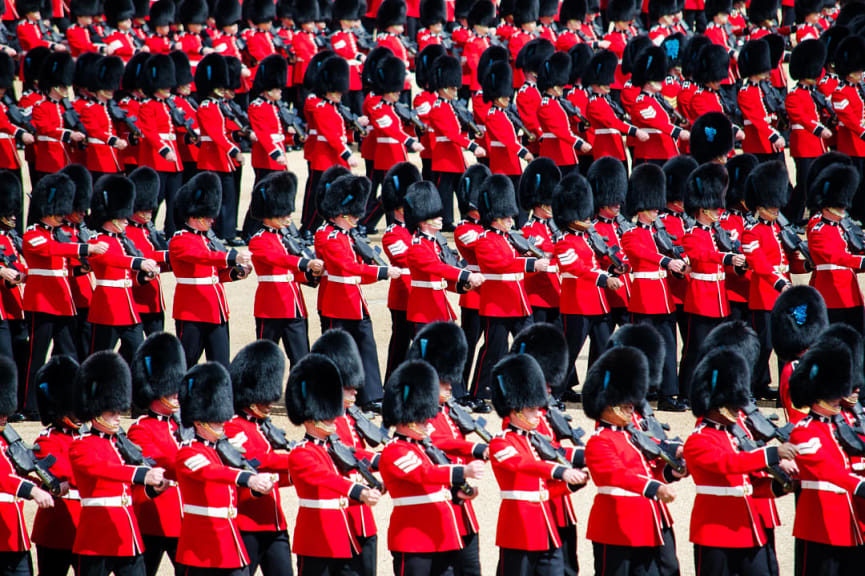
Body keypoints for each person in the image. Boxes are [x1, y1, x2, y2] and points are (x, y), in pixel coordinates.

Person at [685, 348, 796, 575]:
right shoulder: (698, 441)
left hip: (748, 527)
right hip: (715, 529)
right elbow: (729, 464)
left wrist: (778, 487)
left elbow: (748, 485)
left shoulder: (732, 435)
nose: (738, 409)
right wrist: (772, 453)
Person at [583, 345, 682, 575]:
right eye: (624, 401)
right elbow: (618, 475)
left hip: (649, 521)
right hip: (616, 526)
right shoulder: (599, 441)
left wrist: (669, 473)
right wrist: (655, 487)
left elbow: (646, 470)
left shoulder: (631, 436)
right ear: (605, 404)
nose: (631, 406)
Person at [380, 360, 485, 576]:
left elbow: (436, 487)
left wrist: (459, 492)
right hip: (413, 541)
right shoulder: (395, 451)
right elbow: (423, 475)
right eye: (422, 420)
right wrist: (462, 471)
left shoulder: (423, 449)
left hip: (442, 537)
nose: (429, 424)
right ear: (407, 420)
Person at [70, 351, 167, 576]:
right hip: (96, 535)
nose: (117, 417)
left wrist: (152, 490)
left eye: (118, 411)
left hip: (127, 534)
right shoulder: (80, 446)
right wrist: (142, 474)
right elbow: (103, 471)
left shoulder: (121, 446)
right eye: (112, 411)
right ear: (95, 412)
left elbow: (128, 494)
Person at [490, 353, 588, 576]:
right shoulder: (500, 442)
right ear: (515, 410)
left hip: (547, 527)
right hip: (518, 527)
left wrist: (570, 485)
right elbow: (522, 465)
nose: (539, 413)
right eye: (532, 410)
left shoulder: (533, 440)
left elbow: (544, 489)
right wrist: (560, 471)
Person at [285, 352, 382, 576]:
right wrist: (359, 491)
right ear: (310, 417)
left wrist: (388, 461)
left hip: (345, 537)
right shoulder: (301, 453)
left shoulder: (335, 447)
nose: (332, 419)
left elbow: (359, 455)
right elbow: (325, 478)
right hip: (316, 540)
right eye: (326, 415)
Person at [175, 361, 276, 576]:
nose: (222, 423)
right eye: (216, 420)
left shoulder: (223, 452)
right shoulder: (188, 452)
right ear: (200, 422)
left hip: (230, 540)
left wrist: (259, 486)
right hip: (201, 543)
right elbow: (211, 473)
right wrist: (248, 479)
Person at [22, 174, 107, 419]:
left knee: (68, 354)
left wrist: (85, 265)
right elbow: (50, 250)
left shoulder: (58, 234)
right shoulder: (33, 234)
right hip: (41, 302)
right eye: (58, 211)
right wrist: (84, 248)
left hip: (62, 302)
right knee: (37, 356)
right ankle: (30, 404)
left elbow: (65, 266)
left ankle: (70, 399)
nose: (62, 215)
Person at [314, 172, 401, 412]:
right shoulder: (327, 236)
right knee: (336, 351)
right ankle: (332, 394)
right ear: (340, 214)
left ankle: (370, 396)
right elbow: (345, 266)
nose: (356, 218)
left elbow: (356, 273)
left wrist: (376, 273)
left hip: (355, 299)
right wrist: (381, 272)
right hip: (336, 301)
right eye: (352, 214)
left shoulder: (348, 235)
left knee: (367, 346)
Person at [406, 322, 488, 576]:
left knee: (471, 569)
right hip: (437, 503)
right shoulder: (419, 415)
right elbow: (437, 443)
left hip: (460, 501)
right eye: (443, 381)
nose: (451, 385)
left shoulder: (449, 410)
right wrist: (475, 448)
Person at [788, 338, 865, 576]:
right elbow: (825, 468)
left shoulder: (848, 424)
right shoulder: (803, 431)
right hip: (821, 527)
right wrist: (859, 485)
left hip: (855, 523)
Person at [469, 175, 549, 404]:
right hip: (497, 304)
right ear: (494, 217)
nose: (510, 219)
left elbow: (513, 261)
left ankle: (526, 389)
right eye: (506, 216)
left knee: (530, 346)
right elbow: (500, 264)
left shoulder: (508, 238)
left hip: (518, 301)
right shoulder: (484, 240)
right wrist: (531, 263)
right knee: (493, 352)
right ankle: (478, 393)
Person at [310, 330, 380, 576]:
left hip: (362, 518)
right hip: (341, 514)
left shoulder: (352, 418)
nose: (356, 392)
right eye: (349, 387)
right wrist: (377, 460)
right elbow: (346, 455)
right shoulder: (326, 421)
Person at [620, 164, 688, 411]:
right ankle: (638, 394)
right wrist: (667, 260)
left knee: (669, 347)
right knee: (642, 349)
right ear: (641, 208)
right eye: (651, 207)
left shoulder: (661, 233)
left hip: (664, 297)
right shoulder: (630, 234)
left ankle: (668, 394)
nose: (656, 211)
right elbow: (642, 253)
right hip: (644, 297)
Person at [168, 172, 252, 369]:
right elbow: (201, 257)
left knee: (221, 365)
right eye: (208, 217)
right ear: (195, 216)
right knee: (187, 363)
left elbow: (216, 273)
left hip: (217, 309)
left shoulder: (207, 240)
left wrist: (236, 273)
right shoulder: (180, 239)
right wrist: (231, 257)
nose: (212, 220)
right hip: (192, 310)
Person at [224, 341, 293, 576]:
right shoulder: (233, 428)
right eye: (266, 398)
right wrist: (302, 460)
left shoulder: (264, 427)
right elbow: (262, 461)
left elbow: (274, 473)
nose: (270, 403)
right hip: (247, 524)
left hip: (275, 523)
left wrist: (299, 474)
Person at [678, 163, 746, 401]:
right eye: (713, 207)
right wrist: (727, 257)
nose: (718, 211)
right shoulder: (692, 234)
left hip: (719, 298)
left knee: (718, 349)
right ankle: (685, 393)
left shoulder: (717, 234)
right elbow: (701, 256)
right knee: (695, 350)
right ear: (702, 209)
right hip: (700, 298)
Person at [741, 160, 809, 398]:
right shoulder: (751, 231)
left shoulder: (779, 230)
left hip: (784, 292)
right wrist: (780, 283)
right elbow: (759, 263)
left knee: (785, 346)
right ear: (760, 207)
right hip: (765, 294)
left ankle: (784, 391)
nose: (776, 210)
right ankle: (749, 388)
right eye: (772, 207)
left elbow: (787, 260)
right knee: (764, 345)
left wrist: (806, 262)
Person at [553, 171, 622, 394]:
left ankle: (597, 390)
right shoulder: (563, 243)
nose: (588, 219)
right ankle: (555, 391)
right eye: (583, 216)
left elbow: (595, 262)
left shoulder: (587, 238)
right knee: (570, 351)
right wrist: (604, 278)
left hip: (598, 303)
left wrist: (613, 267)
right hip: (577, 304)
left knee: (604, 347)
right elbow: (575, 268)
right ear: (571, 217)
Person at [247, 172, 323, 366]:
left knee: (302, 357)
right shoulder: (258, 240)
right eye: (283, 213)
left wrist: (311, 274)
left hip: (294, 305)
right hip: (271, 306)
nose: (287, 217)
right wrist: (305, 263)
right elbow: (277, 260)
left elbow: (291, 273)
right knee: (264, 359)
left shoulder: (285, 238)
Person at [127, 332, 187, 576]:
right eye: (170, 389)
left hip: (183, 520)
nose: (176, 394)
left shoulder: (181, 425)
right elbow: (159, 463)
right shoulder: (141, 429)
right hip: (153, 518)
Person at [86, 174, 160, 360]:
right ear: (111, 217)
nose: (127, 220)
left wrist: (142, 278)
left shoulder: (123, 241)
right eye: (123, 216)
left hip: (128, 310)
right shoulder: (97, 241)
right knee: (99, 359)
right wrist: (139, 263)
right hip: (107, 308)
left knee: (139, 357)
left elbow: (125, 277)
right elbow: (113, 260)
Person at [404, 181, 482, 329]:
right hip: (424, 312)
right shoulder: (417, 247)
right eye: (435, 216)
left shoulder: (436, 244)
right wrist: (467, 275)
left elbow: (441, 281)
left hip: (440, 309)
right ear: (423, 221)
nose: (441, 218)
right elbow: (438, 268)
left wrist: (461, 287)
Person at [30, 356, 83, 576]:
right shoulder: (46, 441)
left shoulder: (86, 437)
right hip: (55, 530)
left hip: (84, 528)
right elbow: (66, 473)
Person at [427, 55, 487, 232]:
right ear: (444, 88)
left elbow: (458, 131)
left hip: (455, 155)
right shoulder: (437, 108)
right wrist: (473, 146)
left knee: (462, 190)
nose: (455, 91)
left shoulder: (450, 107)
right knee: (444, 193)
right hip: (444, 156)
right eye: (453, 88)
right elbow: (450, 134)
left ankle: (466, 218)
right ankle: (445, 222)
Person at [454, 164, 492, 408]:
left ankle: (479, 389)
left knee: (493, 345)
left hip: (494, 292)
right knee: (467, 345)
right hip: (474, 294)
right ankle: (460, 391)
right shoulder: (464, 229)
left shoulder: (487, 227)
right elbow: (482, 250)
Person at [785, 40, 832, 223]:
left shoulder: (812, 93)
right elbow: (800, 118)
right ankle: (793, 217)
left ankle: (814, 216)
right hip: (803, 143)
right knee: (803, 184)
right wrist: (818, 128)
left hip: (816, 144)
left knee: (815, 182)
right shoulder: (794, 95)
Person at [137, 54, 183, 236]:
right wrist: (164, 150)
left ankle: (172, 231)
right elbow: (150, 132)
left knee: (174, 198)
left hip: (173, 158)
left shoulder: (168, 104)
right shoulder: (147, 106)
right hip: (157, 158)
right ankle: (147, 229)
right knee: (156, 198)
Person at [381, 162, 418, 381]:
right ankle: (391, 382)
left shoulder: (415, 230)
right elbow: (407, 259)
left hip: (419, 294)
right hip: (403, 296)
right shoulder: (392, 234)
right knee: (399, 345)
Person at [126, 167, 171, 336]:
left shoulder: (149, 231)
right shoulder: (127, 232)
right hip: (136, 299)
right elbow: (142, 256)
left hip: (154, 301)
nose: (148, 213)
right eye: (144, 209)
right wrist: (166, 256)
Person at [630, 46, 691, 166]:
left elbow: (665, 120)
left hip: (666, 152)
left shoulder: (658, 100)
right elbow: (657, 123)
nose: (660, 81)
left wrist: (678, 123)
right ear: (648, 82)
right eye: (657, 79)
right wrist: (677, 131)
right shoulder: (641, 102)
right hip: (651, 155)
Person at [518, 158, 560, 326]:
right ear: (539, 204)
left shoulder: (555, 227)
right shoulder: (529, 229)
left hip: (556, 294)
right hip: (538, 297)